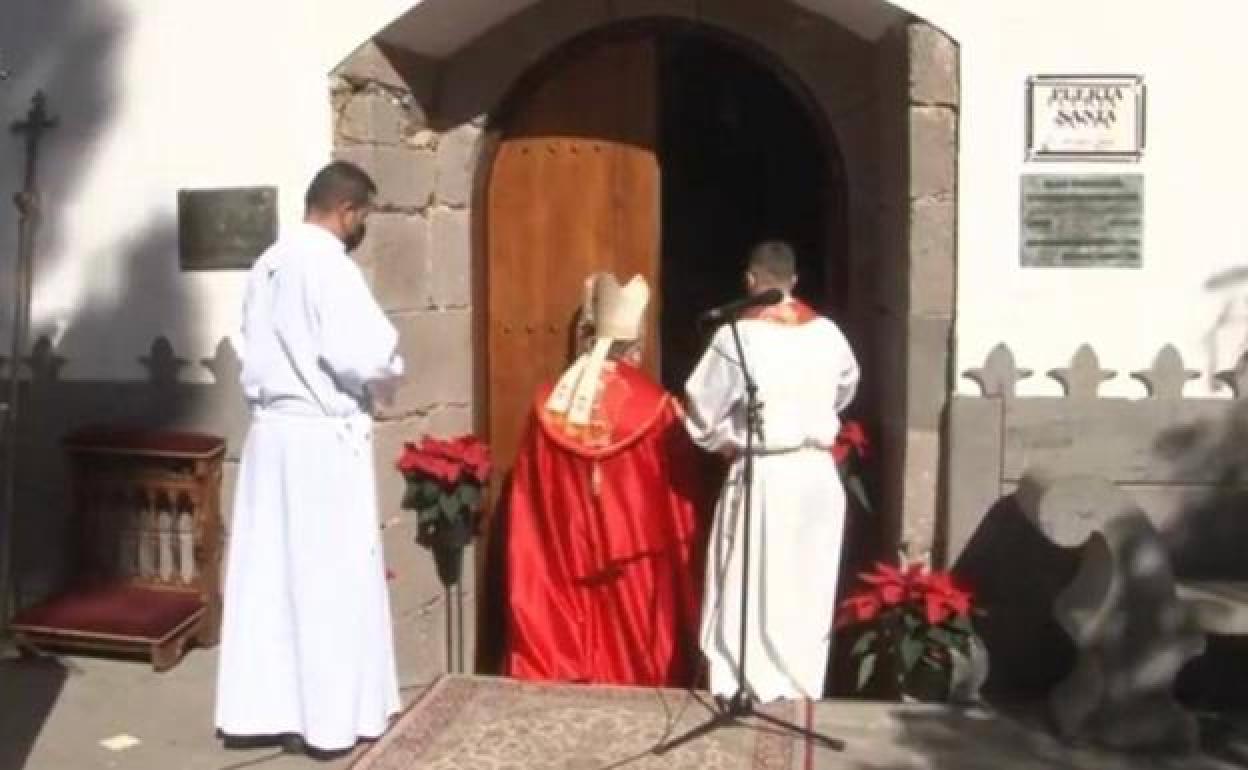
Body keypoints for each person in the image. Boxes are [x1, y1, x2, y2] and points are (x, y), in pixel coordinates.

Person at [215, 161, 403, 754]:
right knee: (327, 578)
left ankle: (271, 709)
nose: (360, 228)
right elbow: (365, 355)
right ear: (347, 211)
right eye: (362, 217)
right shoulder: (329, 266)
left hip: (271, 438)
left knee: (274, 577)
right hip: (320, 443)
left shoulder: (266, 263)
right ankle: (327, 720)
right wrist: (390, 374)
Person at [503, 273, 707, 687]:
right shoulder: (657, 407)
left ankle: (564, 667)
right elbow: (679, 492)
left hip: (564, 547)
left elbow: (532, 495)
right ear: (635, 345)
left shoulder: (549, 403)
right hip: (631, 552)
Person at [684, 240, 860, 702]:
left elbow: (700, 411)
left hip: (763, 472)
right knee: (807, 580)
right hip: (817, 473)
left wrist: (724, 439)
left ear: (749, 281)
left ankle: (743, 681)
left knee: (751, 577)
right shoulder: (829, 334)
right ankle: (800, 684)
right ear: (794, 282)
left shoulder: (736, 337)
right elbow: (845, 388)